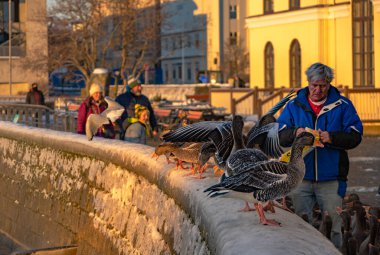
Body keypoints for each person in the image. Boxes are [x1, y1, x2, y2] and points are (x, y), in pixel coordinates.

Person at [277, 62, 363, 249]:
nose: (317, 90)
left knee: (336, 226)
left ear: (329, 84)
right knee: (301, 225)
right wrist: (295, 133)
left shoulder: (343, 105)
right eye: (314, 85)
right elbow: (280, 136)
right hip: (300, 178)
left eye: (322, 86)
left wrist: (332, 137)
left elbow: (356, 136)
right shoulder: (293, 105)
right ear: (308, 83)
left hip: (332, 179)